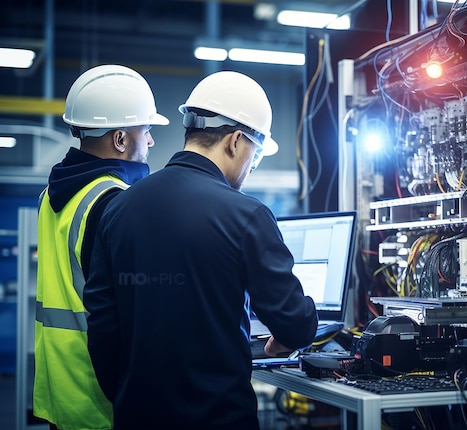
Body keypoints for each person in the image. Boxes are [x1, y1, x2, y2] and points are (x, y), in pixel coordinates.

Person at [83, 70, 318, 430]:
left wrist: (130, 398)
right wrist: (280, 343)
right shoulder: (247, 215)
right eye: (254, 158)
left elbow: (102, 326)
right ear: (236, 142)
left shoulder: (118, 209)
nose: (250, 170)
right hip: (219, 418)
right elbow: (297, 323)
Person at [34, 64, 169, 430]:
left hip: (62, 394)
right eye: (147, 130)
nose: (152, 141)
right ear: (121, 139)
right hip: (104, 402)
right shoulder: (115, 201)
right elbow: (128, 313)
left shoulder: (52, 196)